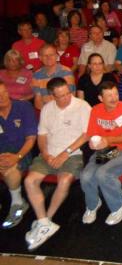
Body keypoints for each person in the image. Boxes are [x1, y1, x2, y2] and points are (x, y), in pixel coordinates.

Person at [24, 78, 91, 250]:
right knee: (29, 181)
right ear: (52, 96)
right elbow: (42, 135)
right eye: (60, 96)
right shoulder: (47, 109)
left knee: (64, 180)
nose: (66, 98)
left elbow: (86, 135)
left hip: (72, 154)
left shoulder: (82, 106)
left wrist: (65, 153)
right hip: (49, 153)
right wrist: (45, 154)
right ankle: (43, 222)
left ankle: (48, 218)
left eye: (68, 93)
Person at [81, 81, 122, 226]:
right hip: (106, 152)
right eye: (109, 95)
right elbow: (92, 135)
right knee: (86, 175)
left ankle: (121, 204)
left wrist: (107, 140)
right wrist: (94, 143)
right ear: (101, 98)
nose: (114, 98)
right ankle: (93, 204)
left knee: (103, 173)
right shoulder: (96, 110)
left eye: (116, 94)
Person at [0, 81, 37, 229]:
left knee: (10, 170)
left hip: (23, 150)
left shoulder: (23, 107)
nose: (2, 97)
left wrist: (18, 157)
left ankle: (17, 202)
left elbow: (31, 139)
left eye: (3, 92)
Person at [32, 44, 76, 110]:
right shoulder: (36, 75)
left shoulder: (66, 72)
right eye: (45, 55)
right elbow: (38, 101)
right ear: (40, 58)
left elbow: (69, 98)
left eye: (51, 55)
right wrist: (48, 113)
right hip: (46, 111)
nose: (48, 58)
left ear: (56, 56)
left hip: (65, 110)